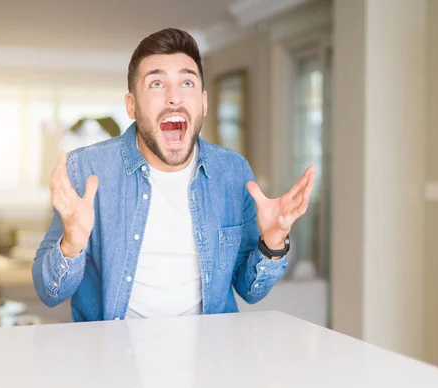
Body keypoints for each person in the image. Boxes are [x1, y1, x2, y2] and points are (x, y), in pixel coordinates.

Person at [32, 28, 315, 321]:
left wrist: (273, 241)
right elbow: (49, 293)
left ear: (203, 102)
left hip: (207, 356)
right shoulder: (88, 169)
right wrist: (72, 244)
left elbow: (250, 291)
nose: (174, 97)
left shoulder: (232, 171)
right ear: (132, 105)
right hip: (114, 358)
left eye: (187, 82)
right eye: (156, 83)